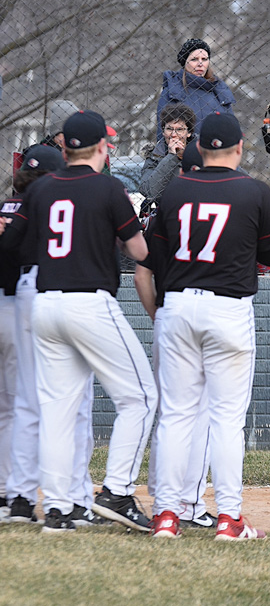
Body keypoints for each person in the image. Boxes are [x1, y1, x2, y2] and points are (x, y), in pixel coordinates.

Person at [0, 111, 157, 533]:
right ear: (102, 149)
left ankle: (58, 509)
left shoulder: (43, 189)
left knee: (56, 409)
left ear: (65, 147)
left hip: (43, 304)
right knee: (141, 398)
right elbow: (139, 251)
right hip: (89, 302)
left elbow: (15, 243)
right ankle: (118, 492)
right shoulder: (109, 187)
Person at [148, 112, 270, 539]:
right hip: (228, 308)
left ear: (200, 148)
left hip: (178, 305)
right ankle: (229, 517)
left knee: (175, 415)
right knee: (226, 419)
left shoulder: (175, 190)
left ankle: (166, 515)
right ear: (240, 147)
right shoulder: (255, 192)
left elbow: (154, 258)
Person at [3, 145, 103, 527]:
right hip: (60, 291)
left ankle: (21, 500)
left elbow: (9, 246)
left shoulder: (17, 203)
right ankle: (75, 501)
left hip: (24, 292)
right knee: (75, 404)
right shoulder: (60, 197)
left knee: (27, 402)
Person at [134, 140, 216, 530]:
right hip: (210, 319)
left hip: (169, 317)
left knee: (169, 415)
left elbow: (141, 272)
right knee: (200, 416)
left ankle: (162, 502)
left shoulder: (166, 208)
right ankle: (191, 504)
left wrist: (156, 315)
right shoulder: (229, 207)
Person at [156, 38, 235, 142]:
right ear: (185, 62)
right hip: (183, 155)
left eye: (204, 59)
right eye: (194, 59)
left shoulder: (219, 90)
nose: (200, 64)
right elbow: (163, 134)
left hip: (217, 154)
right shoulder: (173, 90)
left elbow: (232, 130)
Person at [139, 103, 197, 207]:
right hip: (167, 212)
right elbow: (150, 191)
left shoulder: (202, 153)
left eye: (179, 129)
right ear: (163, 131)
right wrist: (171, 157)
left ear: (188, 133)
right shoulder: (155, 156)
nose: (174, 134)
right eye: (169, 129)